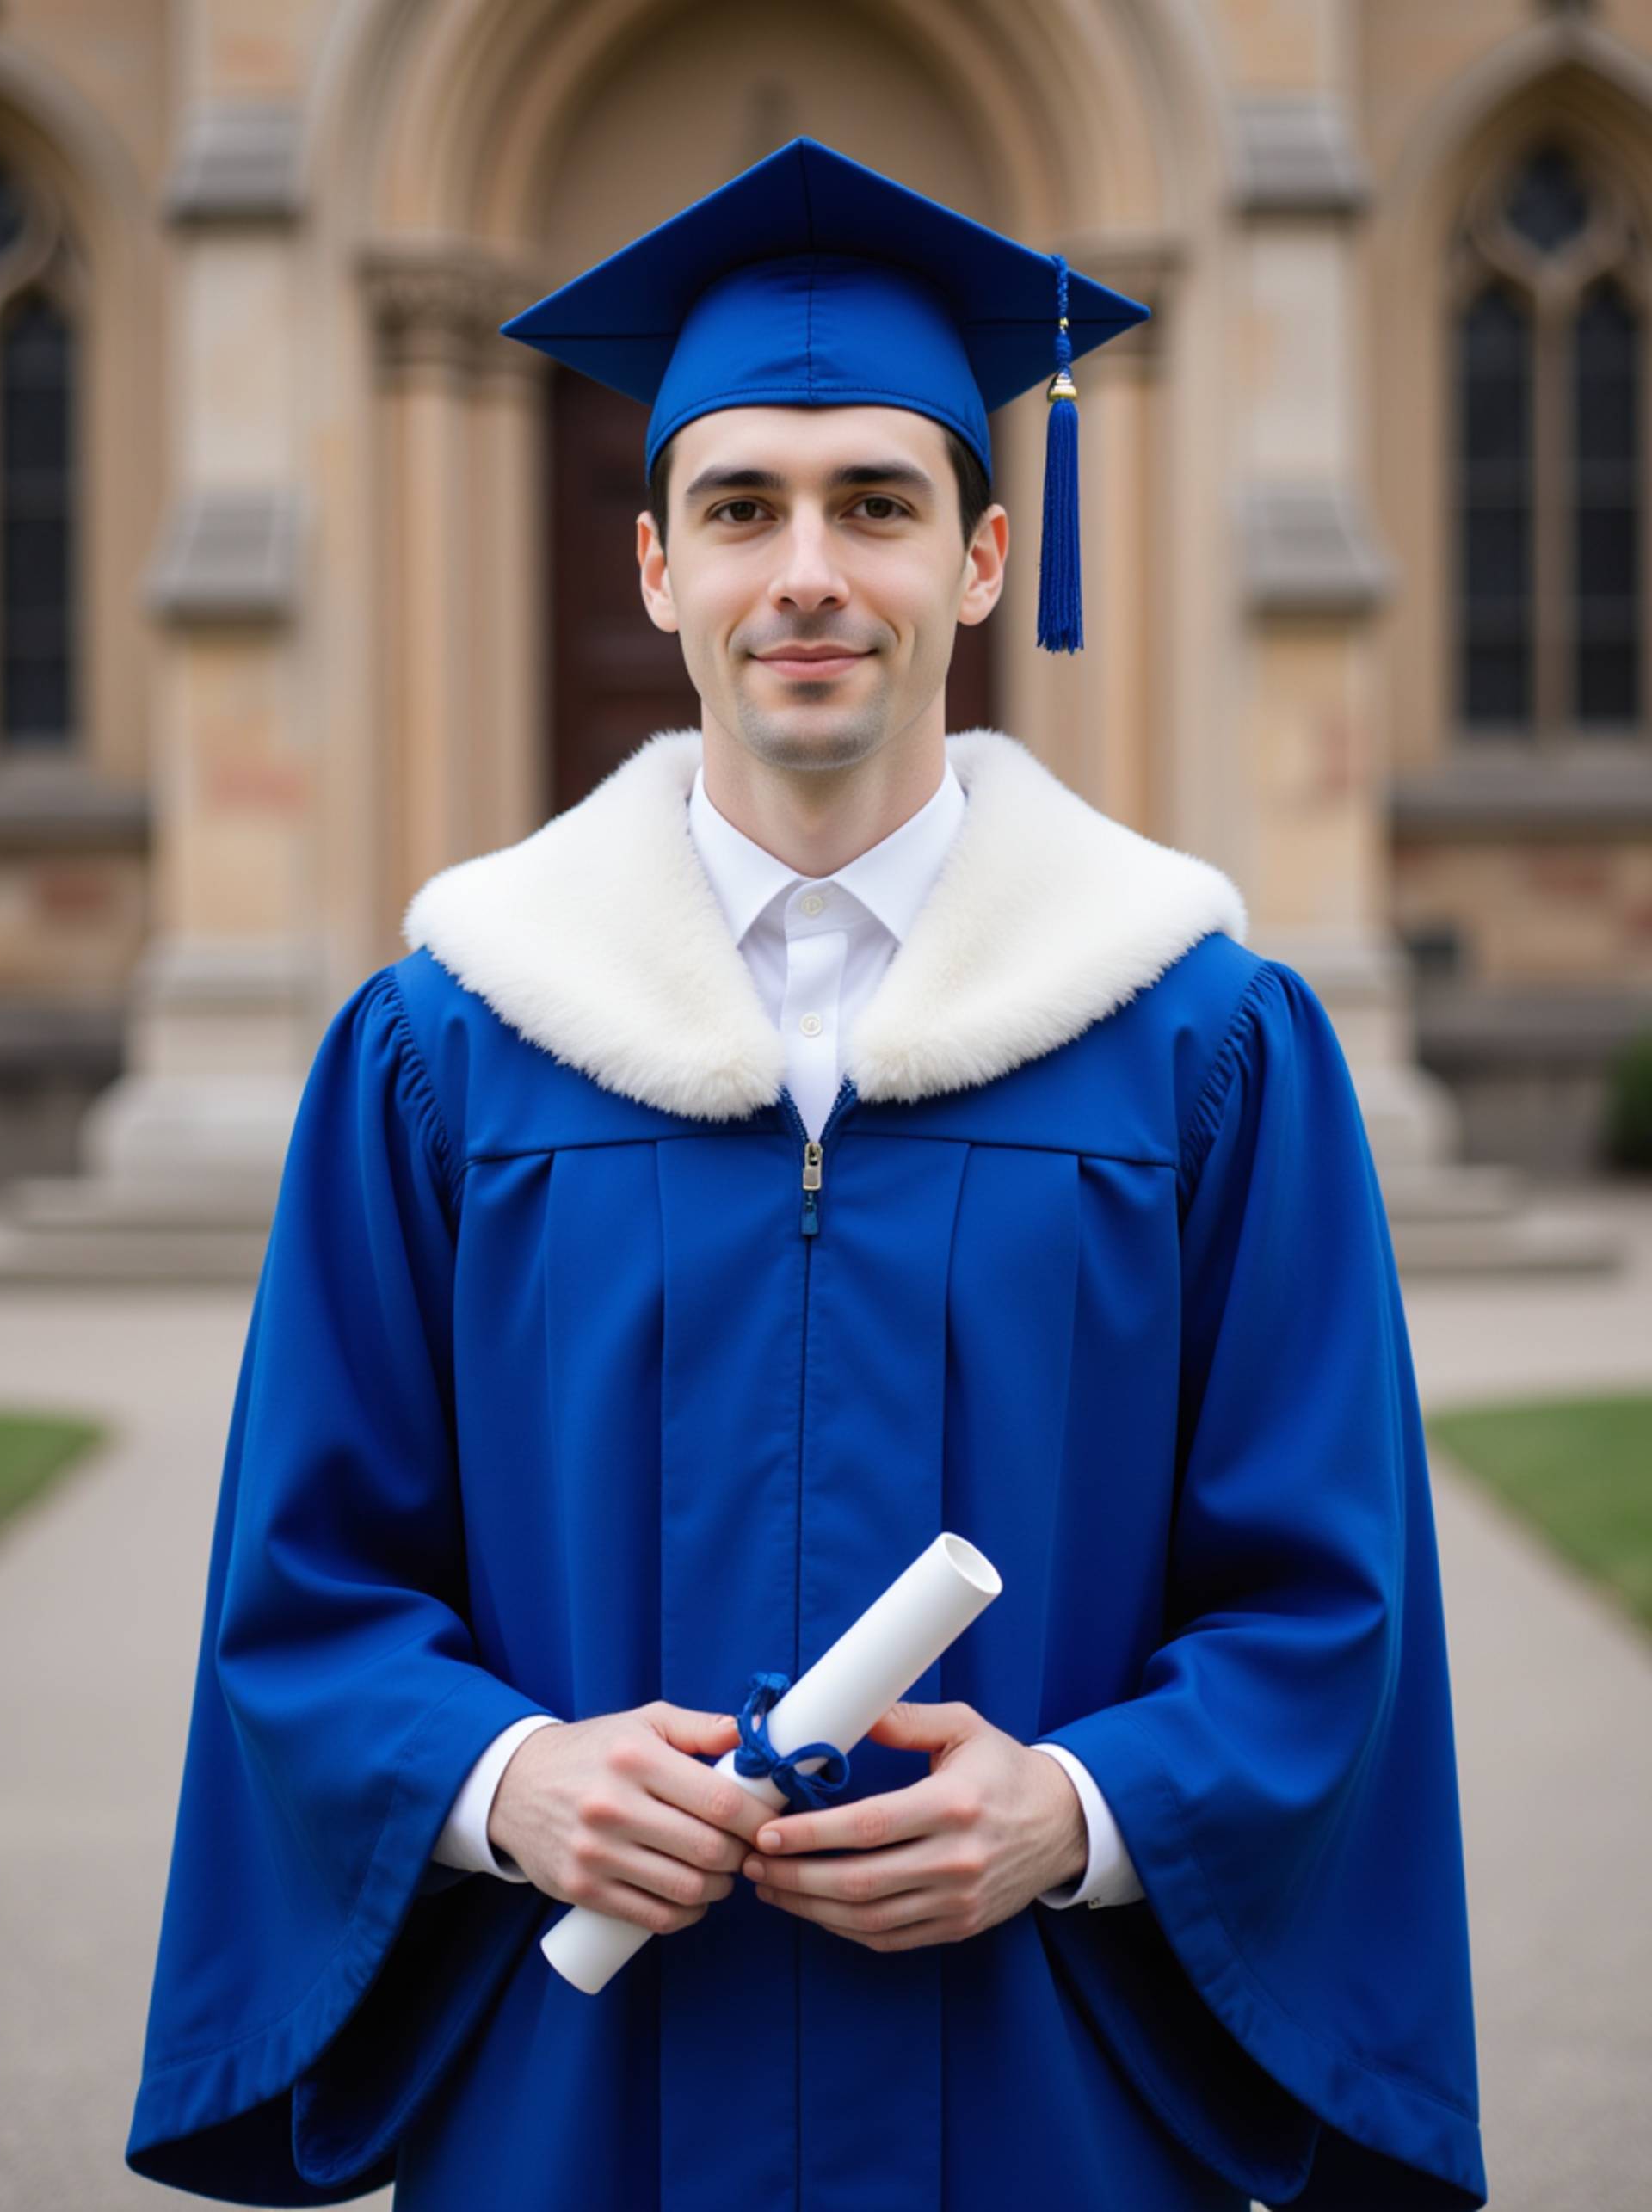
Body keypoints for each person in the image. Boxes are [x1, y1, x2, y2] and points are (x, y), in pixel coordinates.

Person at [125, 138, 1486, 2210]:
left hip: (1046, 2092)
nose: (809, 576)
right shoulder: (451, 1045)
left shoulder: (1199, 1043)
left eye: (878, 504)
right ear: (655, 566)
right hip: (582, 2097)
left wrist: (1080, 1808)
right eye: (741, 509)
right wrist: (506, 1780)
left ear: (986, 557)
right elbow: (306, 1591)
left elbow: (1330, 1592)